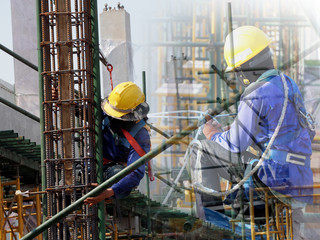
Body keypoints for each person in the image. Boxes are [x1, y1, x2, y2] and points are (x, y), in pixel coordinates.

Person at [191, 26, 315, 239]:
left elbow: (234, 145)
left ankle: (211, 225)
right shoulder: (288, 83)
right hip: (299, 177)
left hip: (273, 178)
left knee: (200, 148)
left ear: (245, 68)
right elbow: (294, 131)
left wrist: (212, 134)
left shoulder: (255, 93)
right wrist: (246, 132)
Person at [84, 81, 151, 206]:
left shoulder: (140, 136)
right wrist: (62, 99)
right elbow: (83, 111)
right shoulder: (108, 111)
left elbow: (135, 172)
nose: (113, 117)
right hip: (91, 162)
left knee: (118, 174)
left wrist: (110, 191)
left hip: (113, 172)